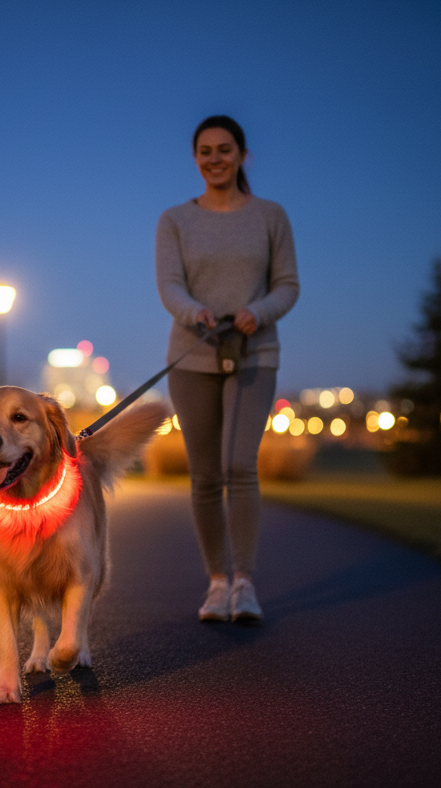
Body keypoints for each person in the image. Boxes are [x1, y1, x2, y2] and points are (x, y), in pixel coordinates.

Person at [155, 115, 299, 622]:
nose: (214, 158)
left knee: (240, 466)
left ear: (242, 155)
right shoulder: (175, 220)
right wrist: (191, 310)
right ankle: (216, 582)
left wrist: (256, 313)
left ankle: (245, 585)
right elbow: (169, 284)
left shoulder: (270, 216)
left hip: (253, 353)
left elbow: (287, 285)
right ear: (195, 158)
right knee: (205, 475)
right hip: (192, 355)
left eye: (224, 149)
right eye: (205, 151)